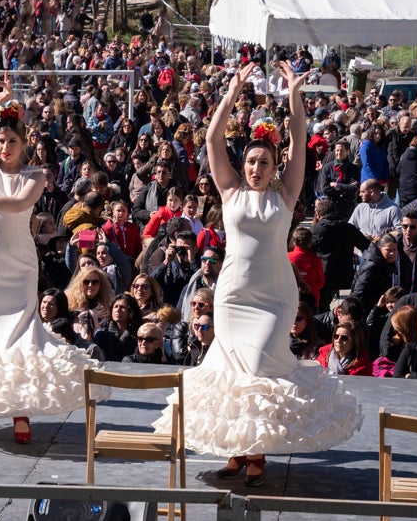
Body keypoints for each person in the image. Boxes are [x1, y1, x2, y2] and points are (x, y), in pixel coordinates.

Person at [153, 61, 359, 488]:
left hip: (274, 299)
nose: (256, 168)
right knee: (234, 374)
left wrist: (295, 97)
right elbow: (212, 138)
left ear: (273, 166)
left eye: (264, 162)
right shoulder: (229, 191)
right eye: (250, 161)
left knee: (260, 369)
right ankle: (240, 450)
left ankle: (256, 447)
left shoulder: (285, 196)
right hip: (231, 297)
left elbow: (299, 144)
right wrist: (231, 92)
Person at [0, 73, 103, 445]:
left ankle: (20, 408)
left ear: (24, 143)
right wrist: (2, 97)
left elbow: (19, 205)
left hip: (18, 263)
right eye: (1, 140)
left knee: (18, 333)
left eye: (12, 140)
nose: (6, 146)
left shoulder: (35, 175)